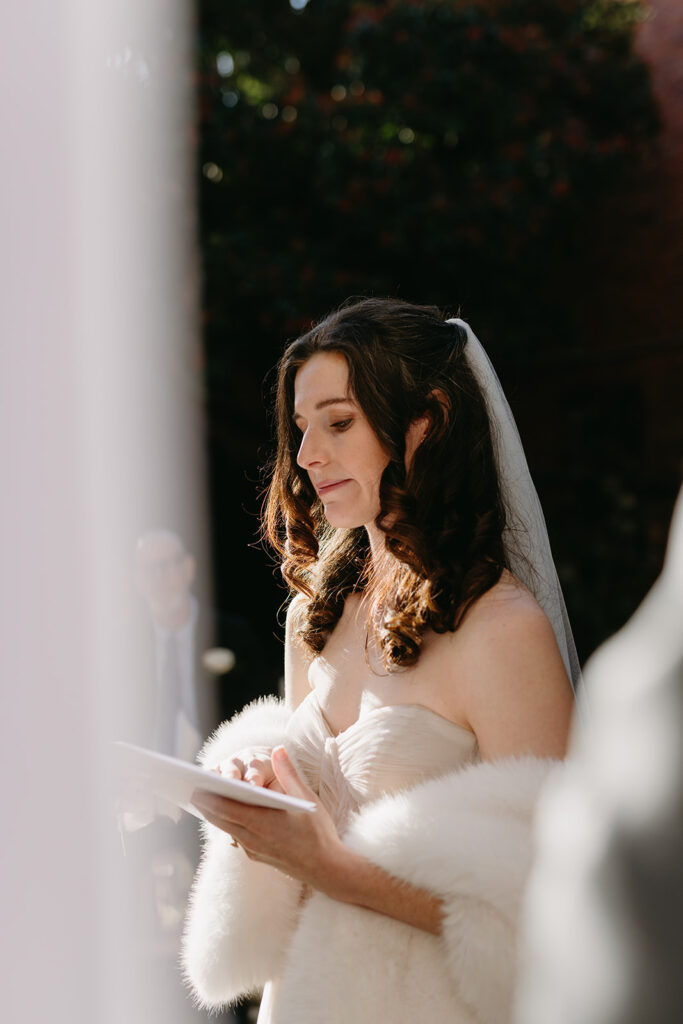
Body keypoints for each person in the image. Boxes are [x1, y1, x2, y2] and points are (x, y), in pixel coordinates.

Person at [182, 298, 579, 1024]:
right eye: (301, 429)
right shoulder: (314, 616)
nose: (306, 456)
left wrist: (323, 862)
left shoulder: (501, 631)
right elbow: (306, 837)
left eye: (338, 422)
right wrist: (261, 805)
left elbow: (555, 909)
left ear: (425, 421)